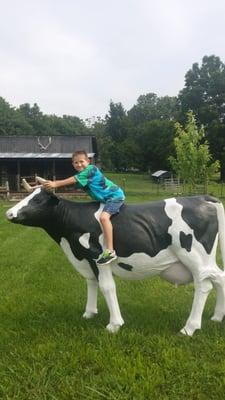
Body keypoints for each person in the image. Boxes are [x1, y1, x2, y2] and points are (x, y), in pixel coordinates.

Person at [43, 150, 125, 265]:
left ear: (88, 161)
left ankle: (110, 251)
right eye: (76, 162)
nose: (79, 164)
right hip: (104, 199)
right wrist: (48, 186)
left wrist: (55, 184)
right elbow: (72, 183)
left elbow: (73, 179)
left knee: (104, 218)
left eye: (81, 161)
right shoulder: (83, 176)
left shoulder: (91, 169)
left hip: (114, 196)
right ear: (73, 164)